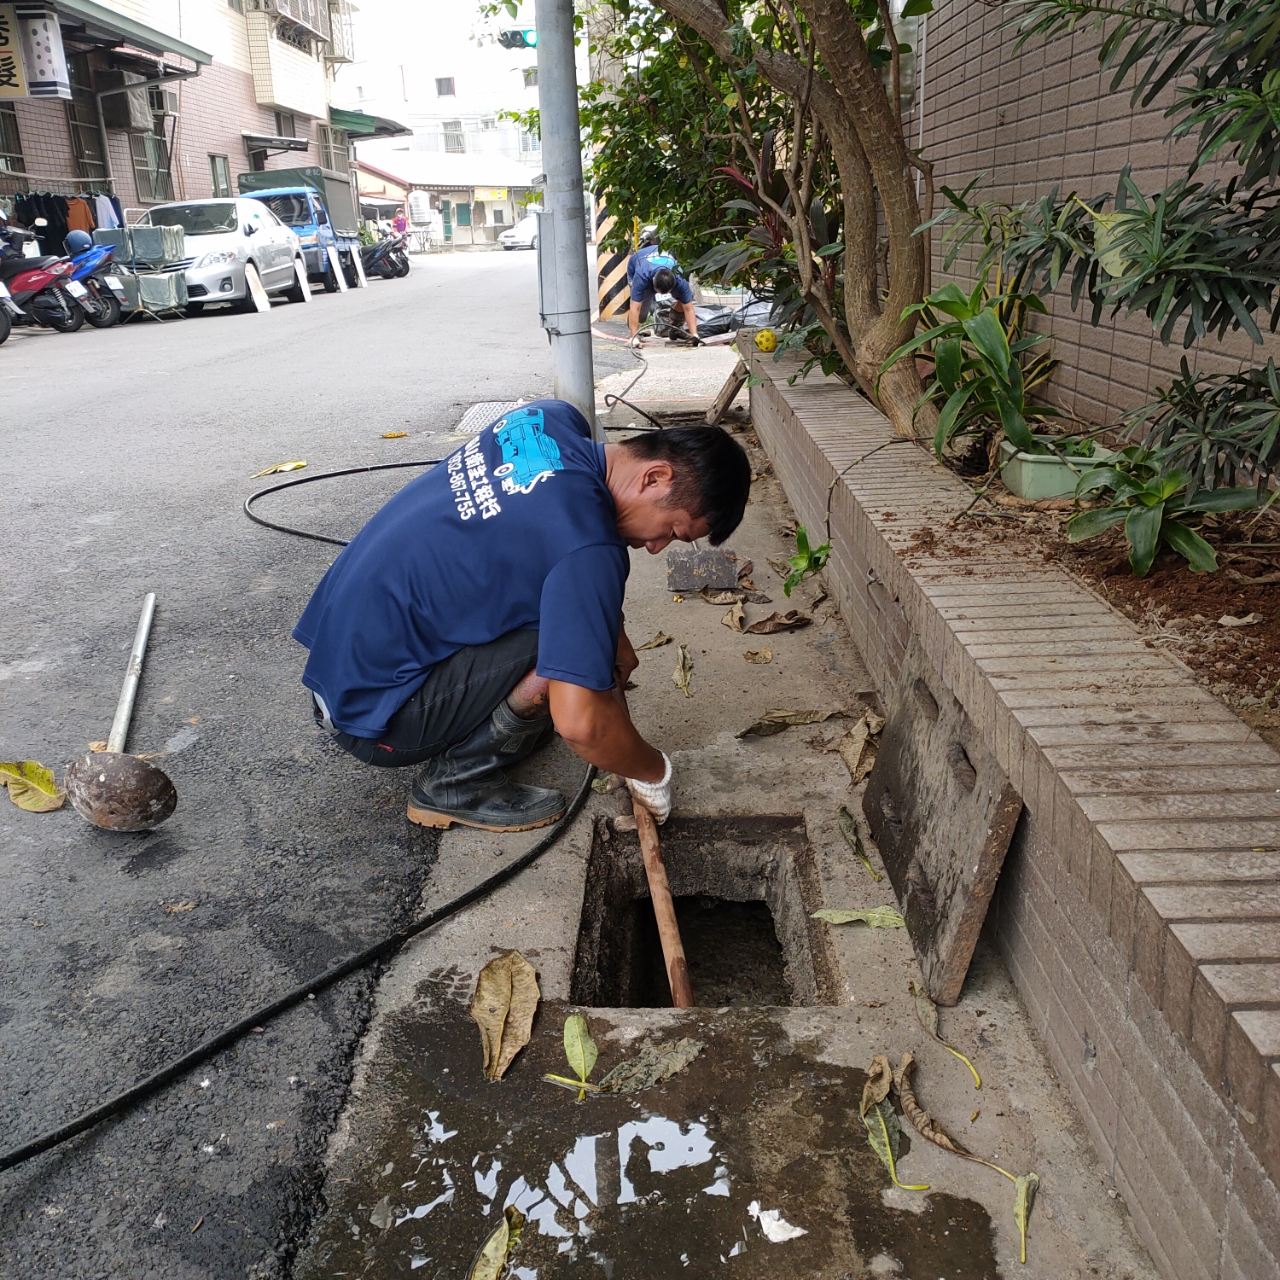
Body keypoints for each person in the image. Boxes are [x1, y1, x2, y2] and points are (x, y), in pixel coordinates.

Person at [293, 400, 751, 833]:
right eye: (671, 531)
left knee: (577, 628)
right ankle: (455, 785)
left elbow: (557, 544)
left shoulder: (547, 419)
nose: (655, 547)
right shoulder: (589, 547)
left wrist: (614, 634)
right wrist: (651, 770)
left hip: (340, 669)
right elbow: (581, 726)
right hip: (377, 719)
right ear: (654, 477)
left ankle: (486, 723)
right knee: (566, 647)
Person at [627, 232, 697, 344]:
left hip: (660, 267)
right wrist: (633, 338)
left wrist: (694, 336)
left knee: (688, 295)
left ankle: (675, 327)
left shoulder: (679, 278)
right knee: (641, 316)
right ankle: (633, 331)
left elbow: (688, 308)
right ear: (653, 281)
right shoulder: (641, 277)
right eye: (659, 292)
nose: (661, 295)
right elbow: (635, 306)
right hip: (638, 263)